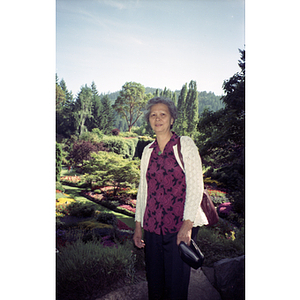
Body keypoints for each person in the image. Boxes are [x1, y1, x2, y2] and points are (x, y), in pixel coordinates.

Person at [133, 97, 208, 300]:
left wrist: (187, 224)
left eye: (162, 114)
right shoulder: (147, 151)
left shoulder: (184, 145)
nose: (157, 119)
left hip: (177, 228)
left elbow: (196, 186)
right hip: (151, 228)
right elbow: (143, 191)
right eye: (153, 115)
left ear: (172, 119)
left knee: (176, 286)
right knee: (155, 284)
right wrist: (138, 225)